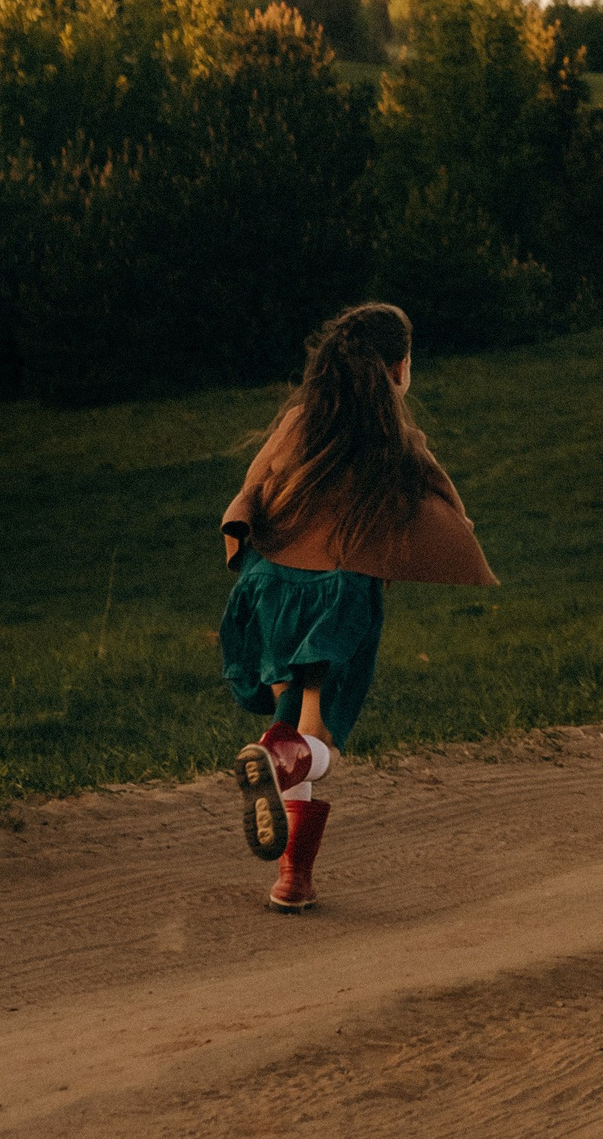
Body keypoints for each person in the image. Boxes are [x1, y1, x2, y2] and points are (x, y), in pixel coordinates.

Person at [216, 302, 497, 912]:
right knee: (321, 736)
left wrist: (242, 551)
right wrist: (457, 539)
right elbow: (446, 500)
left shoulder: (298, 422)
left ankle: (293, 882)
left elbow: (253, 485)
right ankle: (277, 760)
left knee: (293, 717)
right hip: (339, 595)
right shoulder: (395, 439)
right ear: (399, 368)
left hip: (273, 585)